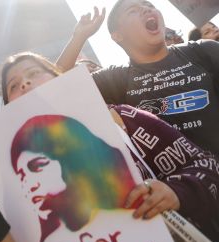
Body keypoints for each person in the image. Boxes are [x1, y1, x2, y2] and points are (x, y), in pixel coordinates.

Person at [1, 52, 219, 242]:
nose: (25, 83)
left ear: (59, 78)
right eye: (13, 85)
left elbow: (205, 164)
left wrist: (176, 192)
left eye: (34, 72)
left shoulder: (121, 119)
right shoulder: (12, 182)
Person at [91, 0, 219, 158]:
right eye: (132, 11)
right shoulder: (114, 78)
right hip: (176, 182)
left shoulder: (203, 50)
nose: (146, 9)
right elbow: (58, 91)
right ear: (117, 35)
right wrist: (79, 37)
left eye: (150, 6)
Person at [10, 114, 135, 242]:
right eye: (21, 176)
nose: (29, 185)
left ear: (72, 161)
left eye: (38, 166)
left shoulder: (133, 218)